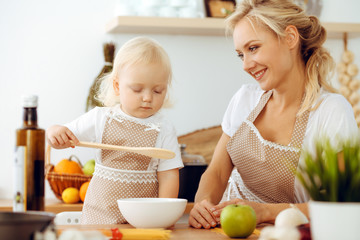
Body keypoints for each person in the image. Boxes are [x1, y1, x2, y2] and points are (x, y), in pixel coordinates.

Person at [189, 0, 358, 229]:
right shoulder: (244, 99)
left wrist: (266, 212)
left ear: (290, 38)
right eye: (240, 54)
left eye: (253, 48)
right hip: (226, 231)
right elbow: (218, 173)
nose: (246, 65)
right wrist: (203, 204)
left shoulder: (331, 111)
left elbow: (341, 204)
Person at [47, 37, 183, 224]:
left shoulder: (164, 128)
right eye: (137, 89)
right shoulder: (100, 118)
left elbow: (169, 175)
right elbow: (65, 136)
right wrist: (55, 131)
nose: (147, 98)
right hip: (99, 217)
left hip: (142, 221)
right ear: (117, 86)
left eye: (157, 91)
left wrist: (162, 216)